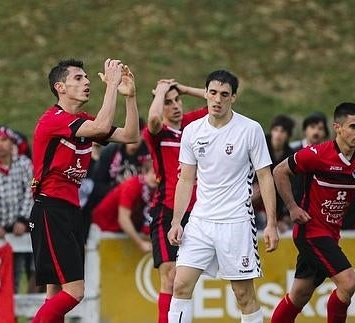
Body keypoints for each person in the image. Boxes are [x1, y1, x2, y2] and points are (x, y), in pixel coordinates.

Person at [29, 58, 139, 322]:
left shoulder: (82, 122)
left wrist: (130, 97)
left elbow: (131, 136)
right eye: (78, 78)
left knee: (55, 294)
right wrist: (111, 85)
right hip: (50, 209)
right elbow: (102, 127)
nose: (87, 81)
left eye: (87, 77)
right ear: (60, 87)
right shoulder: (53, 120)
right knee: (75, 291)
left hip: (69, 210)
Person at [166, 70, 279, 323]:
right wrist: (176, 221)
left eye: (224, 94)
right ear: (205, 93)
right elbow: (185, 179)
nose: (217, 99)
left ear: (233, 98)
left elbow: (265, 177)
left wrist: (271, 223)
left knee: (243, 295)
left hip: (236, 221)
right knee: (180, 285)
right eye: (213, 93)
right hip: (200, 221)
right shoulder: (193, 131)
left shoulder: (250, 129)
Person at [270, 102, 355, 323]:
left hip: (331, 234)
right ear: (337, 127)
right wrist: (292, 207)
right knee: (348, 282)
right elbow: (279, 171)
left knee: (299, 295)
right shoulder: (316, 154)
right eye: (353, 126)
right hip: (310, 232)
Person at [143, 78, 206, 323]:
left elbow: (218, 101)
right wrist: (160, 93)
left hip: (199, 212)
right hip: (167, 212)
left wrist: (185, 88)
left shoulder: (192, 126)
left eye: (177, 100)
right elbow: (154, 120)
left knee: (185, 279)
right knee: (170, 277)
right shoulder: (157, 134)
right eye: (168, 103)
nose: (175, 106)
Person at [0, 125, 35, 291]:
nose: (0, 145)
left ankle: (29, 313)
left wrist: (23, 219)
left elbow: (31, 190)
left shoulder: (24, 164)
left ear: (11, 142)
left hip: (21, 227)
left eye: (4, 140)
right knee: (2, 277)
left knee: (29, 272)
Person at [91, 159, 157, 252]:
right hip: (101, 229)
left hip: (118, 232)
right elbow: (123, 219)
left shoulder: (152, 189)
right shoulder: (132, 186)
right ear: (144, 172)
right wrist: (140, 243)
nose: (156, 178)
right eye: (154, 173)